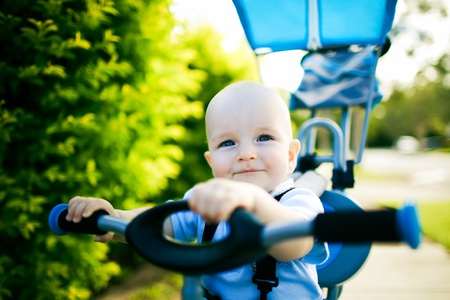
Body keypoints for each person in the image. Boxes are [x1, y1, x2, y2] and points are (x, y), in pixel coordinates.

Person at [66, 80, 328, 299]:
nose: (246, 154)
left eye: (264, 138)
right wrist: (114, 219)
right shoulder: (206, 204)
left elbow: (296, 244)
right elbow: (157, 222)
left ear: (291, 154)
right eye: (227, 142)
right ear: (211, 161)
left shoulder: (298, 201)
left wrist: (254, 202)